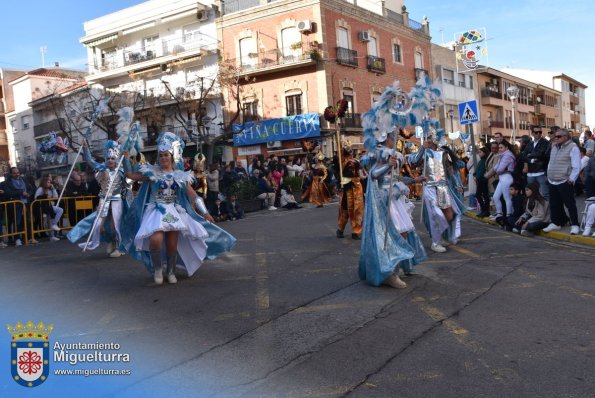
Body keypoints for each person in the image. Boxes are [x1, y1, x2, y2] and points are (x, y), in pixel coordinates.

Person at [121, 132, 235, 285]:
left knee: (172, 244)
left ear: (172, 156)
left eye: (166, 155)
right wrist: (126, 158)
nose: (163, 158)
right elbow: (130, 175)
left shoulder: (180, 175)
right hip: (156, 211)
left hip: (174, 211)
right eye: (160, 155)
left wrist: (205, 212)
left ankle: (171, 271)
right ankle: (157, 269)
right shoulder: (151, 173)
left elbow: (194, 196)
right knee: (155, 240)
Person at [360, 130, 426, 289]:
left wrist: (414, 180)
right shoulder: (381, 154)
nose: (395, 141)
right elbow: (373, 174)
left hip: (395, 199)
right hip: (384, 200)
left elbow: (395, 178)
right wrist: (387, 165)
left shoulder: (393, 154)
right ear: (386, 138)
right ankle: (390, 274)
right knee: (395, 235)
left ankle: (394, 269)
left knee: (402, 233)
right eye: (392, 138)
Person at [67, 141, 127, 257]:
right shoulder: (102, 168)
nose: (110, 160)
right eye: (108, 158)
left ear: (117, 159)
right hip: (104, 199)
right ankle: (111, 241)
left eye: (113, 158)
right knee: (99, 225)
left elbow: (130, 178)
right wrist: (85, 148)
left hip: (116, 200)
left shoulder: (122, 170)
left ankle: (119, 247)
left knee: (115, 226)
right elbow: (90, 161)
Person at [410, 135, 461, 253]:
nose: (430, 140)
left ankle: (442, 237)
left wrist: (457, 184)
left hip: (443, 187)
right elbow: (416, 162)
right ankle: (435, 242)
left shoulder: (443, 152)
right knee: (436, 215)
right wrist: (422, 148)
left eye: (432, 138)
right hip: (430, 187)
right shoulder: (424, 152)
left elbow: (449, 169)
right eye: (428, 137)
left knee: (450, 214)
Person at [543, 128, 581, 234]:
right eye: (556, 136)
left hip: (564, 180)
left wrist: (571, 179)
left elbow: (577, 165)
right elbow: (550, 162)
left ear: (566, 137)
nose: (556, 138)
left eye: (559, 136)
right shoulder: (554, 146)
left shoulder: (573, 147)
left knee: (570, 204)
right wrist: (548, 175)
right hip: (552, 180)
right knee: (554, 204)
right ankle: (556, 223)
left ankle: (575, 225)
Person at [336, 140, 364, 240]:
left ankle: (345, 230)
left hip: (353, 187)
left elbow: (360, 175)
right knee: (352, 209)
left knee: (349, 209)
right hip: (350, 188)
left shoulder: (351, 161)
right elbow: (357, 175)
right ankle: (352, 231)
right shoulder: (345, 162)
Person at [485, 141, 516, 222]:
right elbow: (496, 168)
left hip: (507, 177)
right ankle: (499, 214)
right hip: (503, 177)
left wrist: (497, 169)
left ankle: (509, 215)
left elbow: (499, 169)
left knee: (507, 198)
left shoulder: (507, 155)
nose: (500, 149)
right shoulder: (503, 155)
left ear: (506, 147)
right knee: (496, 197)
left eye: (501, 147)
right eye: (499, 148)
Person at [3, 167, 34, 246]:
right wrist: (21, 192)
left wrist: (28, 194)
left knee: (28, 221)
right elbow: (9, 193)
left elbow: (31, 188)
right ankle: (17, 238)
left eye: (18, 172)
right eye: (15, 173)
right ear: (11, 174)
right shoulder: (7, 182)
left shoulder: (24, 179)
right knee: (17, 222)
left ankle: (29, 237)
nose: (17, 174)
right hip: (16, 204)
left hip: (26, 203)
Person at [523, 125, 550, 200]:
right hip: (530, 173)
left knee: (545, 194)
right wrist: (531, 159)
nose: (538, 134)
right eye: (536, 132)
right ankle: (535, 210)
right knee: (531, 194)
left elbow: (540, 154)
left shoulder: (545, 142)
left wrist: (529, 155)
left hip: (541, 172)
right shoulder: (530, 143)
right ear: (532, 133)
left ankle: (547, 211)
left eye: (540, 132)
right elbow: (524, 155)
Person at [34, 176, 64, 242]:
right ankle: (52, 235)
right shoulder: (41, 189)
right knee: (48, 220)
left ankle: (54, 224)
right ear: (44, 183)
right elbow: (36, 197)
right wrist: (45, 196)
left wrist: (53, 189)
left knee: (60, 210)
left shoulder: (50, 189)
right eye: (48, 182)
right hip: (42, 206)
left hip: (49, 205)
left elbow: (56, 196)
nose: (49, 184)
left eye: (50, 182)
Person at [474, 147, 491, 217]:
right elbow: (477, 170)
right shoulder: (482, 160)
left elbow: (481, 171)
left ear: (484, 153)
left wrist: (476, 177)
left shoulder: (484, 161)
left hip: (483, 180)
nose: (479, 154)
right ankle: (484, 210)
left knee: (481, 195)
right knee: (483, 195)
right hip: (480, 180)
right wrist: (475, 175)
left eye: (480, 152)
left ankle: (485, 210)